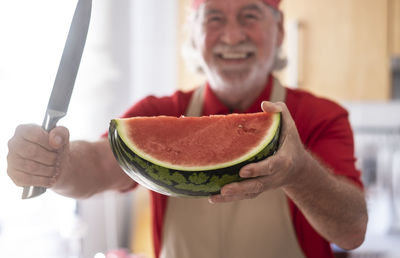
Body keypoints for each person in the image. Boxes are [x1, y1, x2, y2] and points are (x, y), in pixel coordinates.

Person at [7, 0, 368, 257]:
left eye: (249, 16)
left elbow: (352, 231)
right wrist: (55, 163)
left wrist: (301, 172)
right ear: (193, 37)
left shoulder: (320, 116)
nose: (230, 36)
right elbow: (97, 168)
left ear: (279, 31)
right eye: (213, 19)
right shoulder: (158, 113)